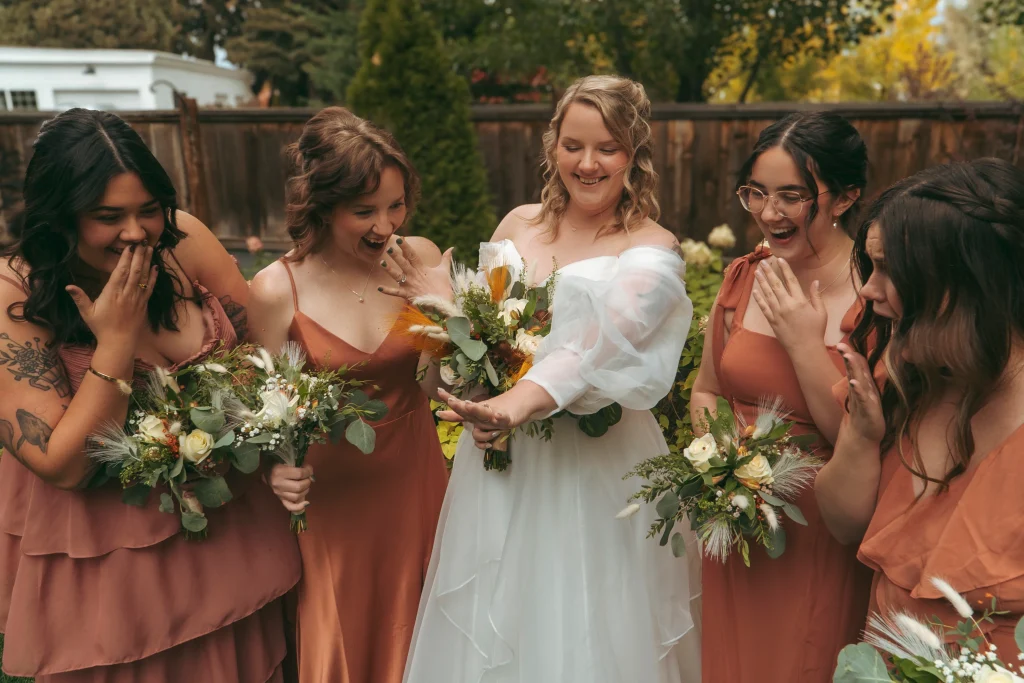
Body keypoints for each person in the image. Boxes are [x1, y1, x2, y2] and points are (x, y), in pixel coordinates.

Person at [384, 75, 698, 683]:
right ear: (552, 143)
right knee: (502, 619)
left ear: (635, 155)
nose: (587, 163)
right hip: (504, 465)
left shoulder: (653, 251)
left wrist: (510, 403)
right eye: (573, 144)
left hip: (601, 473)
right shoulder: (517, 225)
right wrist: (470, 380)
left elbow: (589, 349)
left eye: (607, 147)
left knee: (593, 628)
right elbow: (476, 353)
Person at [0, 108, 300, 682]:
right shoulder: (15, 293)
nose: (136, 232)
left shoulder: (184, 242)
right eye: (106, 216)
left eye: (147, 210)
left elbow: (264, 361)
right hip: (115, 565)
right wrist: (114, 342)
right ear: (58, 216)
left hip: (233, 537)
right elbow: (61, 464)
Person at [248, 107, 449, 683]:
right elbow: (267, 418)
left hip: (415, 483)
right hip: (331, 502)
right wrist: (273, 473)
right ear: (323, 208)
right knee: (340, 642)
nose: (385, 226)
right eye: (364, 211)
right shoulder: (275, 289)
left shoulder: (421, 259)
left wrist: (455, 323)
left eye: (396, 205)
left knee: (427, 634)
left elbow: (438, 383)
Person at [688, 111, 873, 682]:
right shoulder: (745, 275)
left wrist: (801, 343)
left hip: (820, 526)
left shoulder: (877, 292)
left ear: (843, 198)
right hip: (739, 521)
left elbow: (857, 436)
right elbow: (707, 389)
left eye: (792, 196)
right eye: (757, 194)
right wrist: (725, 460)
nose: (769, 214)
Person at [816, 158, 1024, 653]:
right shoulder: (901, 378)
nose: (867, 290)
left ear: (966, 283)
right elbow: (843, 525)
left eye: (890, 270)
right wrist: (862, 436)